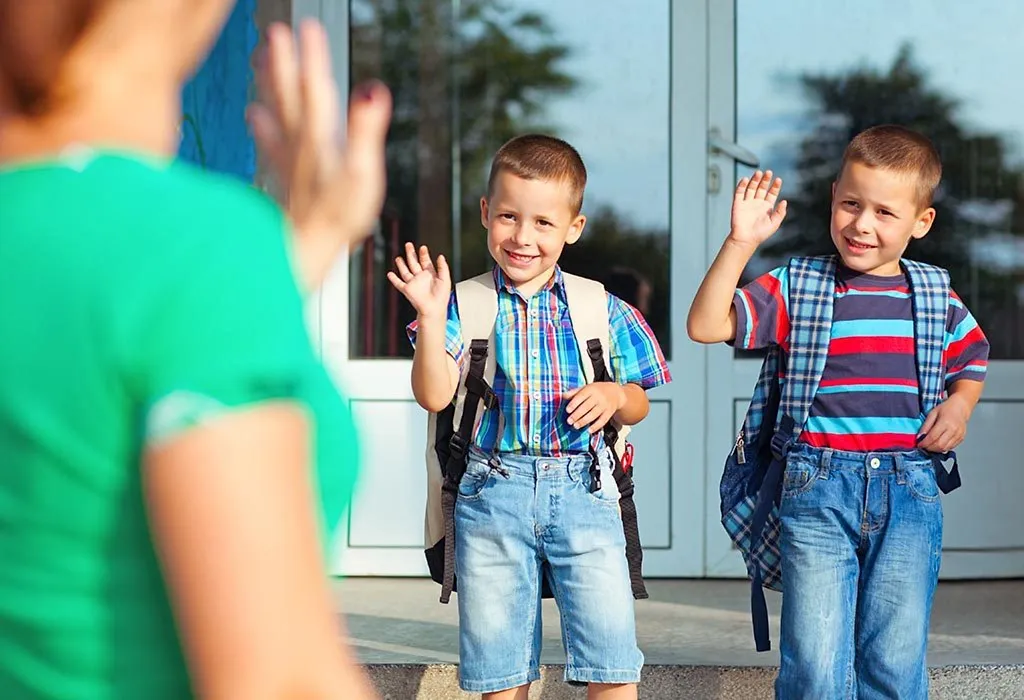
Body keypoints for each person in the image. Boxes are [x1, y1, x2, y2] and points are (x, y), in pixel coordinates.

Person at [0, 2, 390, 698]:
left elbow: (86, 366)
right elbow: (280, 683)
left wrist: (292, 257)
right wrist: (240, 267)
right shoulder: (198, 248)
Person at [687, 125, 989, 699]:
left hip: (910, 489)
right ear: (833, 197)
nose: (862, 224)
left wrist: (961, 405)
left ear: (920, 223)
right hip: (817, 486)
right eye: (851, 204)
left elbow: (972, 357)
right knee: (816, 663)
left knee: (895, 660)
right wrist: (740, 243)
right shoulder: (798, 286)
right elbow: (704, 325)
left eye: (884, 212)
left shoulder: (933, 293)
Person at [388, 134, 671, 700]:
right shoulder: (461, 304)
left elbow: (640, 397)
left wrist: (616, 396)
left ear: (573, 227)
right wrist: (429, 312)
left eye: (544, 223)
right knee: (503, 675)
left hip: (585, 492)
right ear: (486, 213)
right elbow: (434, 396)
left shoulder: (600, 306)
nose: (523, 237)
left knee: (612, 666)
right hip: (491, 495)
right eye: (510, 217)